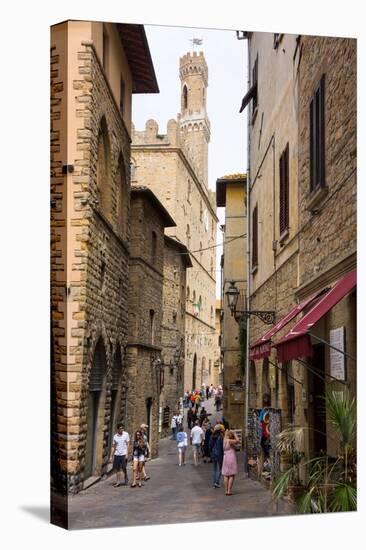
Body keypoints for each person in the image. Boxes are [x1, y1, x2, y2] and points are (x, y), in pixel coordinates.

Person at [109, 422, 130, 487]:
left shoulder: (126, 434)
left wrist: (127, 453)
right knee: (117, 468)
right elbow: (113, 446)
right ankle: (118, 482)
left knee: (123, 467)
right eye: (120, 429)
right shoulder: (115, 436)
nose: (122, 430)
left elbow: (128, 444)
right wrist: (111, 456)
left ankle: (125, 475)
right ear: (118, 429)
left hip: (124, 454)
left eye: (122, 428)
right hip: (117, 454)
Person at [222, 429, 239, 495]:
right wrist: (234, 433)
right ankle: (229, 490)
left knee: (226, 475)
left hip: (225, 457)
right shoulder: (229, 441)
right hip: (231, 457)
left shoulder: (224, 440)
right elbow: (238, 441)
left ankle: (226, 490)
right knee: (231, 474)